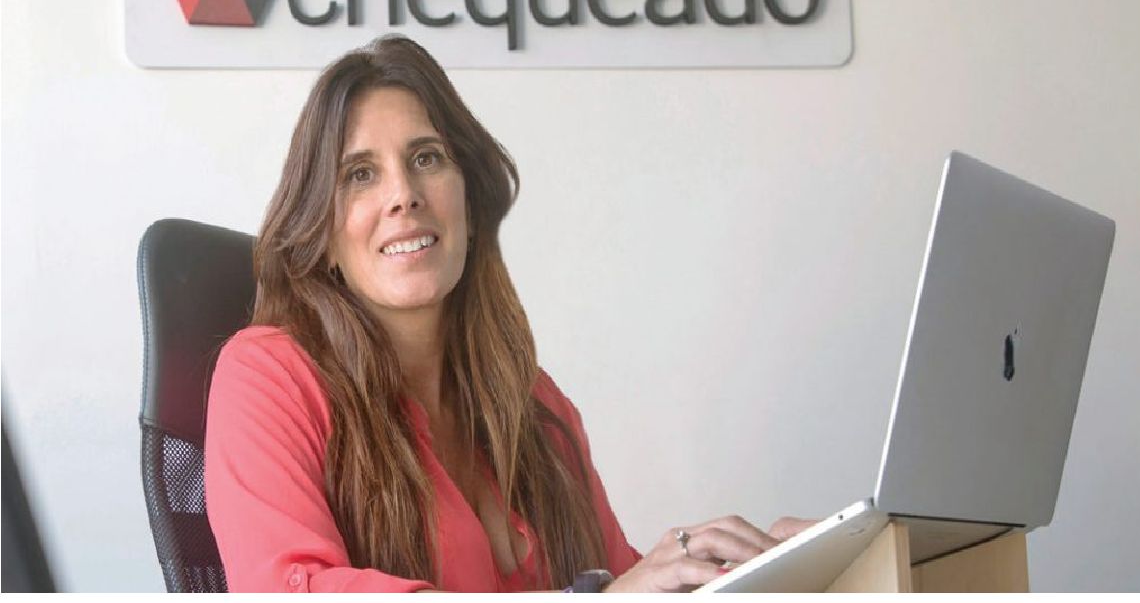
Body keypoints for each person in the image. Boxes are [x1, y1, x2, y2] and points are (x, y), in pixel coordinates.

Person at [204, 35, 813, 593]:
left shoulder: (535, 404)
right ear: (322, 233)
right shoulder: (269, 376)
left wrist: (746, 576)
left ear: (470, 202)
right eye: (360, 175)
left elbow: (619, 583)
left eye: (427, 158)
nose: (403, 195)